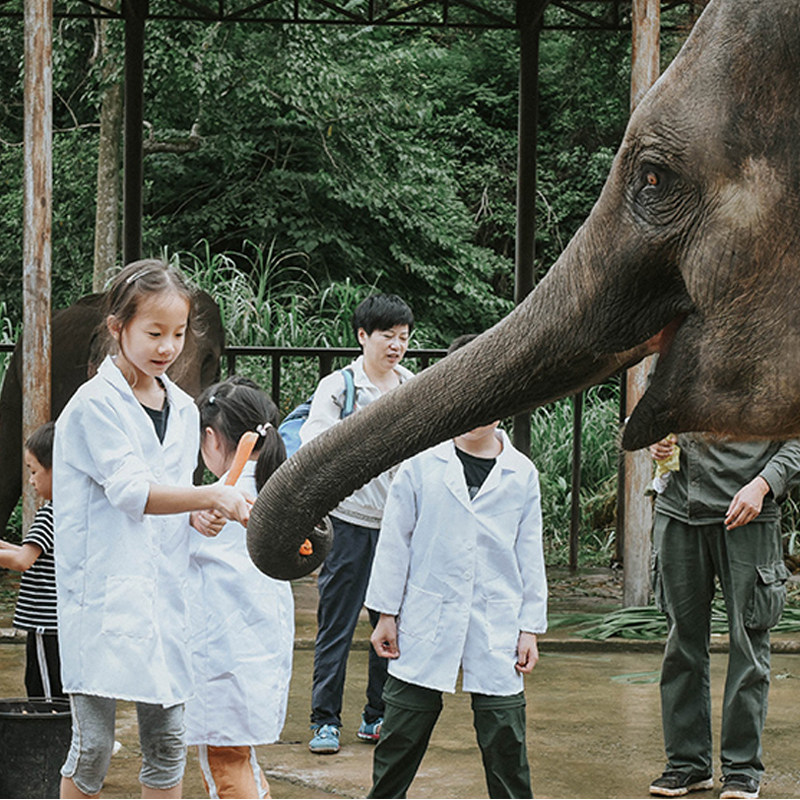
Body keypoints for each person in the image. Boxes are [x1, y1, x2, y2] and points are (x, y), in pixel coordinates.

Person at [53, 259, 252, 800]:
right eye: (155, 333)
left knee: (167, 743)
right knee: (92, 746)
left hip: (162, 595)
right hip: (103, 598)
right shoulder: (95, 406)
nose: (168, 347)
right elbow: (130, 492)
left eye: (179, 334)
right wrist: (211, 494)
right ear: (118, 327)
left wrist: (197, 513)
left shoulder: (184, 409)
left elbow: (170, 492)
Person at [363, 333, 547, 799]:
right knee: (401, 730)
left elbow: (529, 553)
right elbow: (395, 541)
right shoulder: (421, 462)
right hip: (425, 614)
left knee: (505, 735)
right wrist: (386, 613)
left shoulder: (521, 472)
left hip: (497, 617)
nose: (474, 411)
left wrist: (529, 628)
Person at [647, 433, 800, 800]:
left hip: (748, 508)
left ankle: (742, 768)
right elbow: (653, 413)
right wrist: (654, 442)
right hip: (679, 509)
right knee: (681, 643)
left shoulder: (776, 372)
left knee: (748, 643)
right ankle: (687, 764)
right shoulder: (672, 370)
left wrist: (764, 485)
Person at [301, 293, 415, 755]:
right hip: (348, 522)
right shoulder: (339, 386)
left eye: (404, 337)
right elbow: (314, 441)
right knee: (338, 623)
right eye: (387, 335)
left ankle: (378, 715)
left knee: (390, 623)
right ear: (363, 335)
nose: (396, 345)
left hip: (396, 527)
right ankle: (324, 720)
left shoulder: (413, 384)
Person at [187, 376, 294, 799]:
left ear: (212, 438)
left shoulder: (214, 496)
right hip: (259, 646)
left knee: (225, 764)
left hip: (222, 653)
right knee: (241, 758)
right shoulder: (278, 492)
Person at [0, 422, 65, 700]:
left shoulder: (50, 514)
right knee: (57, 686)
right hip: (59, 623)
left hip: (45, 623)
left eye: (34, 471)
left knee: (44, 694)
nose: (31, 480)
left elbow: (24, 560)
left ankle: (53, 739)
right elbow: (33, 553)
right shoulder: (69, 509)